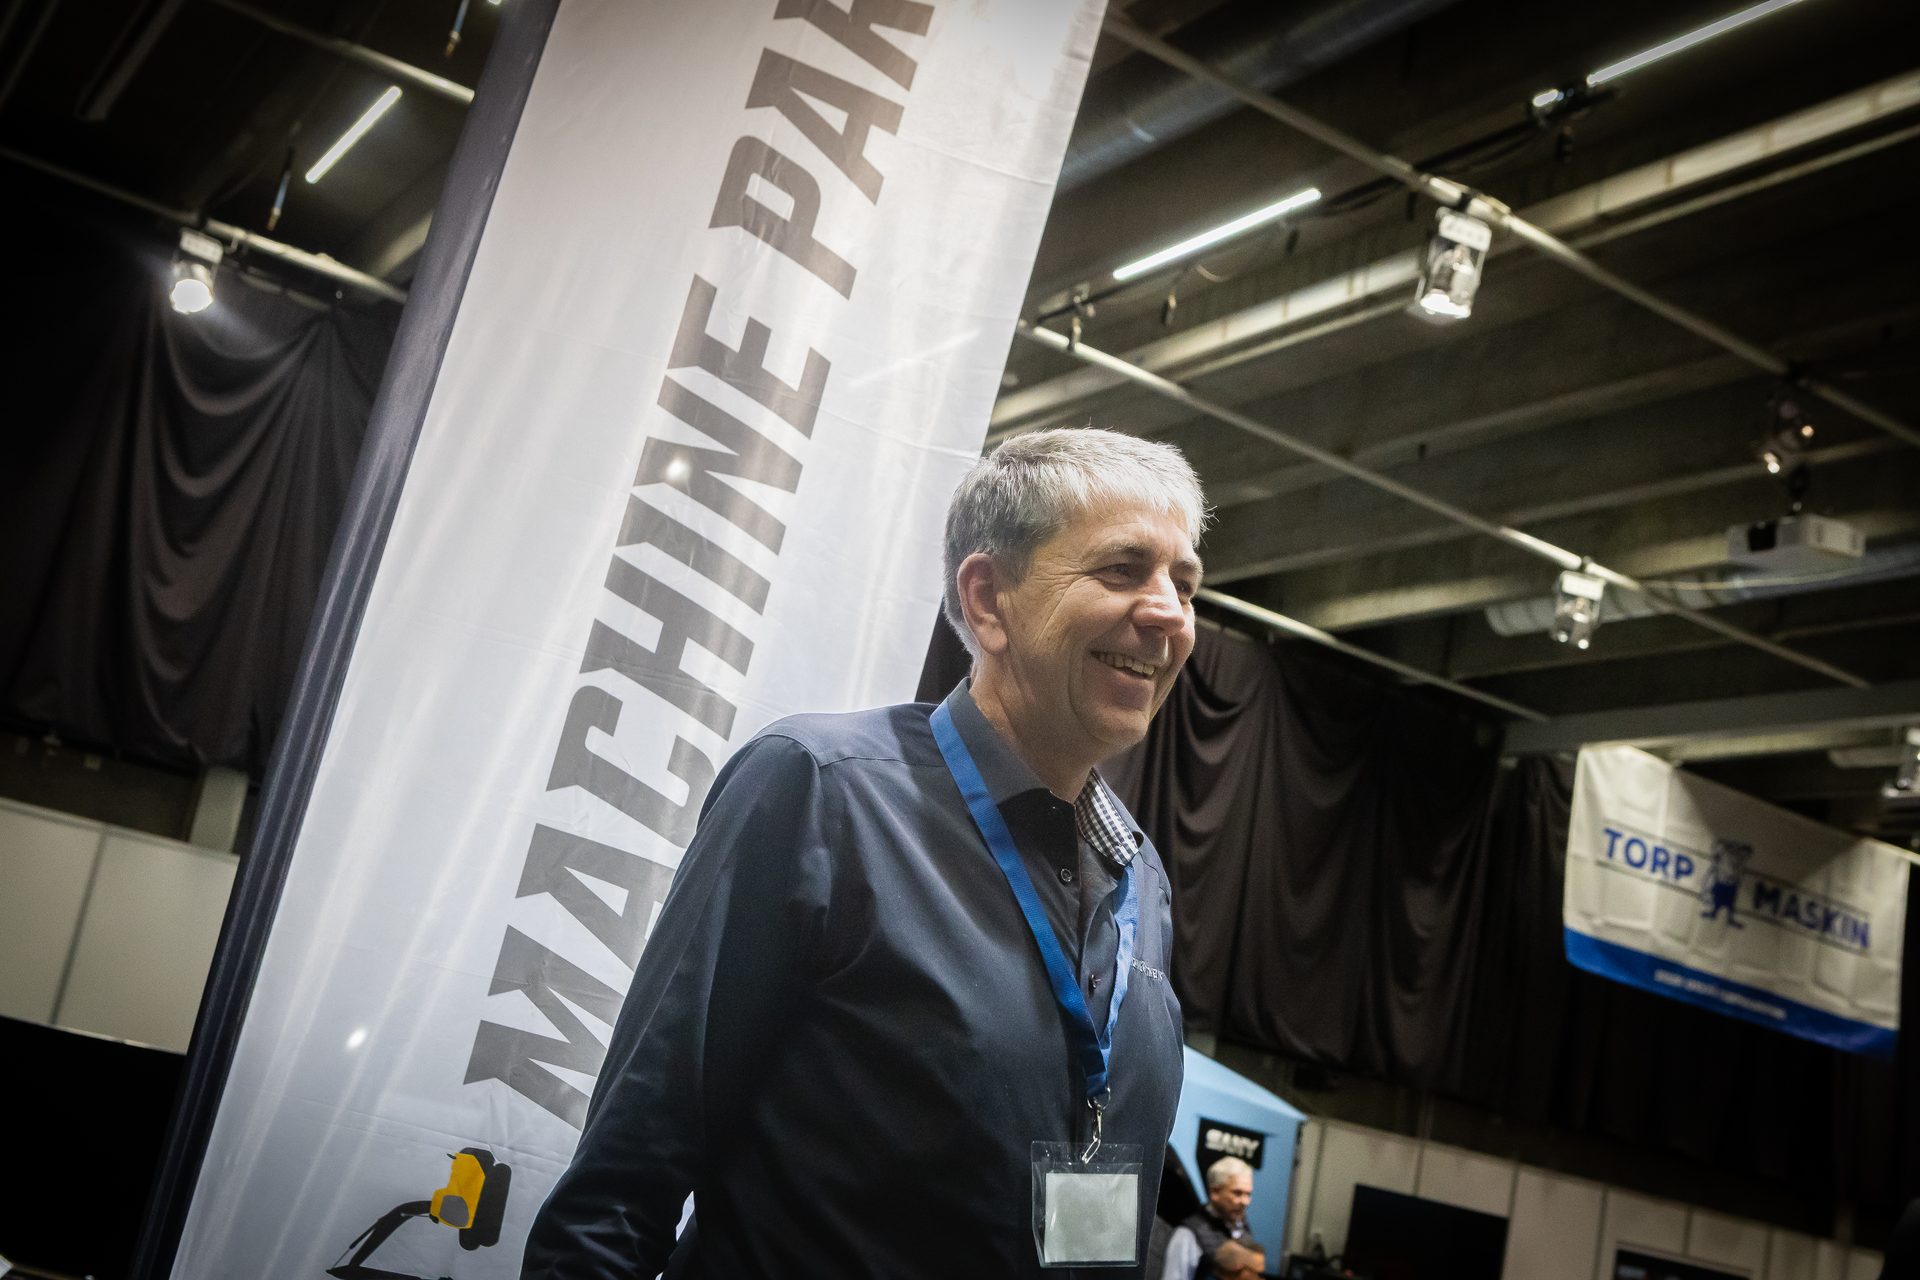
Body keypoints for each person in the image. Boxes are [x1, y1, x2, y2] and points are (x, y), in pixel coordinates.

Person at [522, 427, 1209, 1278]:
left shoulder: (1139, 878)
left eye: (1186, 584)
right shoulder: (819, 792)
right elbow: (625, 1181)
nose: (1168, 614)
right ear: (990, 600)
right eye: (1121, 570)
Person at [1159, 1157, 1254, 1280]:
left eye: (1248, 1194)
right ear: (1215, 1192)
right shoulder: (1188, 1234)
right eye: (1237, 1193)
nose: (1245, 1202)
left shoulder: (1242, 1227)